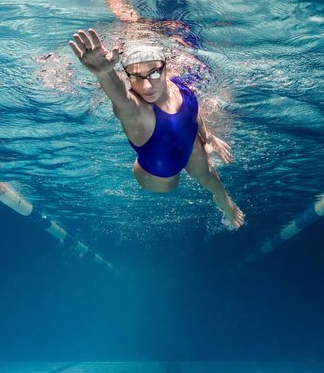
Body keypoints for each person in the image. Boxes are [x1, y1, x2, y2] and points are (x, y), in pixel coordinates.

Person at [68, 28, 245, 229]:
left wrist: (209, 136)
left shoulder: (180, 86)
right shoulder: (136, 111)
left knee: (207, 173)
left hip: (185, 145)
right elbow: (120, 98)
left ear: (166, 69)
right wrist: (104, 72)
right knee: (169, 186)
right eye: (136, 77)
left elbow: (192, 115)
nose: (147, 86)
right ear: (127, 76)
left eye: (154, 73)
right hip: (156, 172)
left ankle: (226, 203)